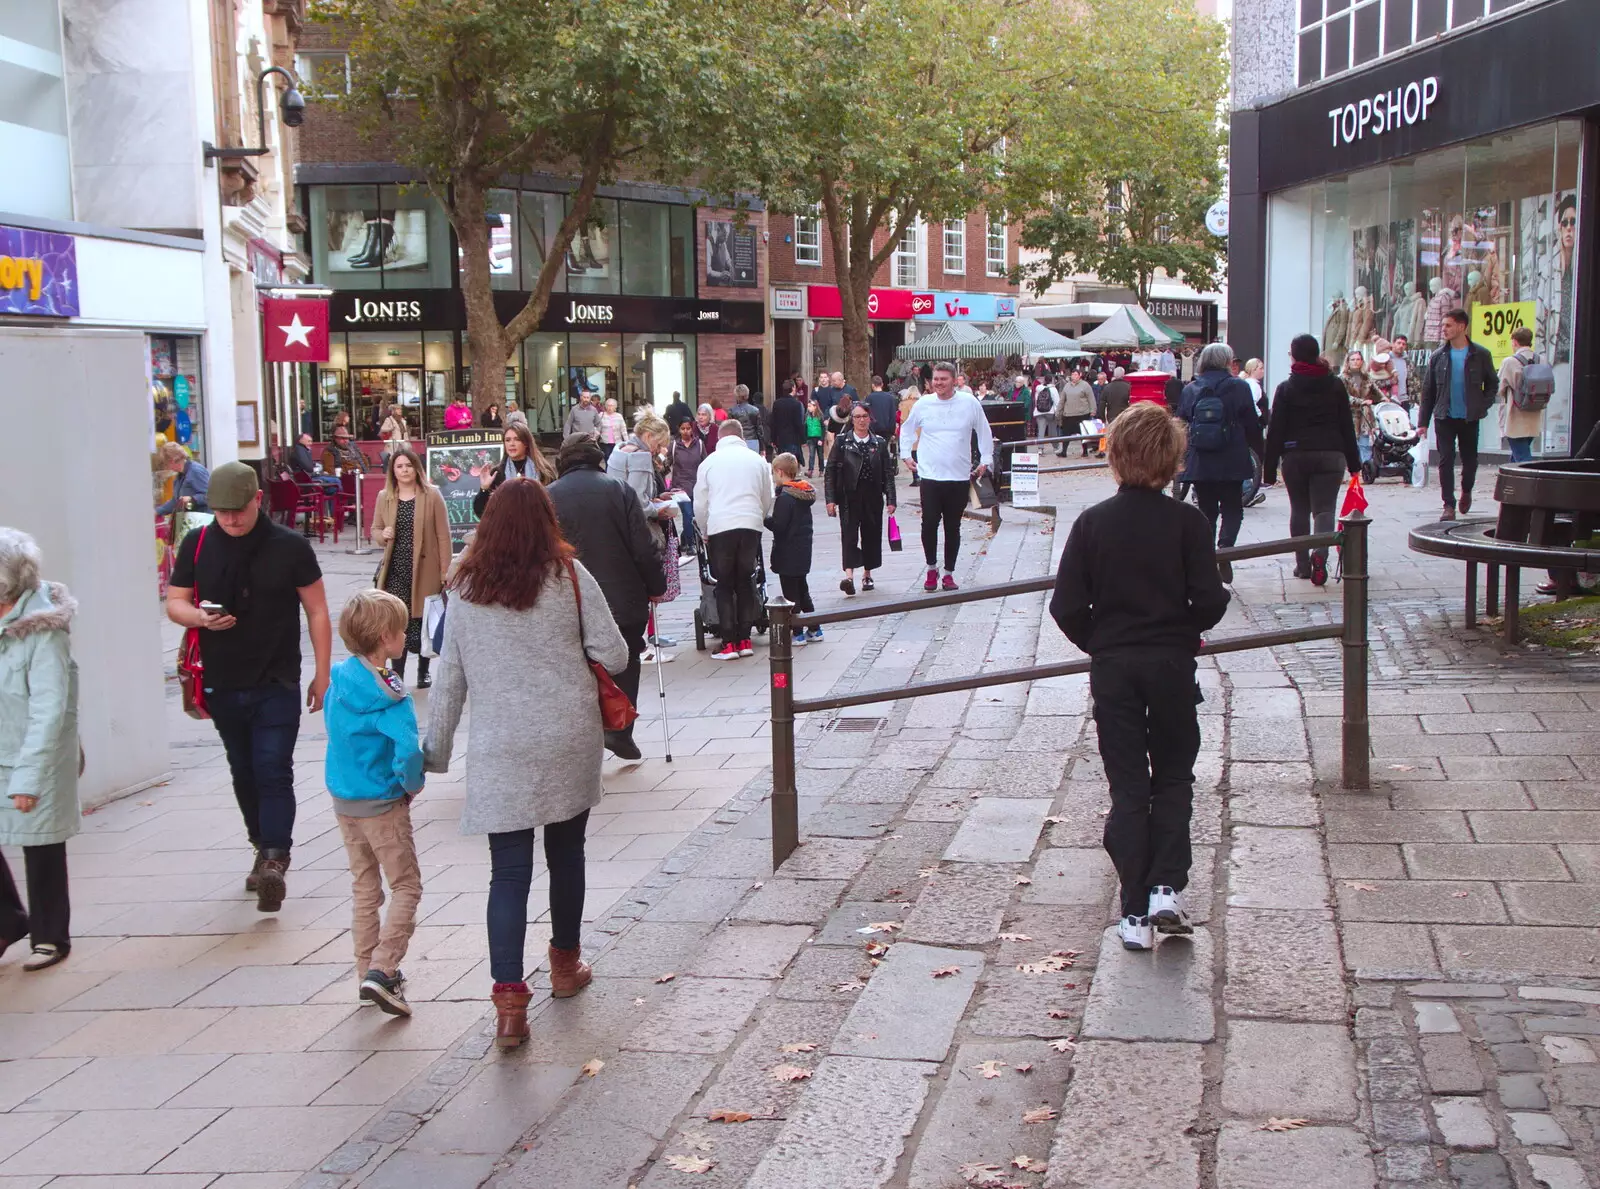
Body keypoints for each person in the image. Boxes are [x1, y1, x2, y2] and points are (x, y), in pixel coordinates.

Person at [423, 479, 628, 1048]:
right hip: (567, 737)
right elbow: (614, 653)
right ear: (547, 520)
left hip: (501, 748)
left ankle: (510, 1005)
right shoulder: (570, 578)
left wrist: (433, 755)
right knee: (567, 856)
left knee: (507, 874)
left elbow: (449, 680)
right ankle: (565, 968)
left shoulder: (463, 589)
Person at [1048, 403, 1229, 952]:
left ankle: (1133, 911)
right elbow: (1211, 598)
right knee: (1174, 777)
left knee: (1128, 786)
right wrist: (1182, 630)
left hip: (1116, 669)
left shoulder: (1093, 523)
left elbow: (1067, 606)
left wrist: (1101, 643)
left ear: (1117, 457)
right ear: (1173, 460)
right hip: (1172, 665)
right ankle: (1166, 887)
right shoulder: (1188, 523)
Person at [166, 462, 332, 911]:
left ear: (258, 500)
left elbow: (317, 609)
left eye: (238, 510)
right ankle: (261, 845)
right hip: (222, 679)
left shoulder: (290, 546)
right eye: (222, 512)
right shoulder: (197, 543)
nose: (231, 520)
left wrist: (323, 671)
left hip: (278, 678)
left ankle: (276, 857)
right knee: (243, 770)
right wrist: (201, 617)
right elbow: (175, 602)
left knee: (273, 766)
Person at [324, 589, 425, 1017]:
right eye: (402, 629)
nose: (405, 636)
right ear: (387, 637)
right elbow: (408, 750)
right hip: (383, 802)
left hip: (345, 800)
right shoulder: (391, 695)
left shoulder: (340, 680)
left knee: (365, 887)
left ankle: (365, 969)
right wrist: (411, 783)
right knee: (406, 885)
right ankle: (383, 971)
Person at [548, 434, 665, 760]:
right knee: (626, 660)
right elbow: (642, 547)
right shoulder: (619, 490)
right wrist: (655, 585)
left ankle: (586, 734)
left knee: (578, 664)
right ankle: (620, 729)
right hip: (622, 594)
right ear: (598, 459)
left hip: (571, 597)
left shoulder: (549, 496)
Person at [0, 529, 79, 972]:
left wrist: (28, 777)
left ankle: (51, 937)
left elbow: (49, 710)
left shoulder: (44, 631)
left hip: (36, 752)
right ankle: (9, 919)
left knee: (41, 840)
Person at [1263, 334, 1361, 586]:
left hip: (1295, 456)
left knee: (1299, 509)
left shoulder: (1286, 388)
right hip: (1331, 454)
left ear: (1294, 356)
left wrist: (1269, 469)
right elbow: (1346, 425)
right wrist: (1354, 463)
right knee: (1325, 509)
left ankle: (1303, 565)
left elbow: (1275, 430)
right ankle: (1321, 554)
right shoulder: (1335, 385)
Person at [899, 361, 994, 592]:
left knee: (953, 526)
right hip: (930, 475)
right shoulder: (923, 404)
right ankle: (931, 568)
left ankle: (949, 573)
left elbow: (983, 430)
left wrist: (986, 459)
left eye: (943, 379)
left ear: (954, 380)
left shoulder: (969, 403)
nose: (939, 383)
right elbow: (907, 428)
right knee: (929, 523)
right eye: (936, 379)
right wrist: (905, 454)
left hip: (959, 475)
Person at [1175, 343, 1265, 584]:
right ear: (1227, 361)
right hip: (1232, 457)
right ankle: (1225, 549)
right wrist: (1261, 455)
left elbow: (1181, 423)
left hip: (1201, 458)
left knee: (1206, 511)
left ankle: (1207, 559)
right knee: (1233, 507)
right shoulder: (1239, 387)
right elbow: (1251, 425)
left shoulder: (1192, 388)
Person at [694, 421, 774, 661]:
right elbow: (767, 496)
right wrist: (758, 519)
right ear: (740, 437)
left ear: (720, 438)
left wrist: (705, 528)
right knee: (746, 580)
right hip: (750, 525)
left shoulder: (709, 463)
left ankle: (728, 643)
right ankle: (745, 639)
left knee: (724, 584)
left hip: (721, 526)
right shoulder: (758, 461)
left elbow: (700, 502)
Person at [372, 448, 451, 688]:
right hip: (396, 568)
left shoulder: (432, 495)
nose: (404, 470)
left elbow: (444, 536)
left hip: (425, 568)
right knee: (397, 621)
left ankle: (423, 670)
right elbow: (375, 529)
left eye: (408, 465)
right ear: (393, 471)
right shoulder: (384, 496)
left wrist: (446, 573)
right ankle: (397, 674)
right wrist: (382, 535)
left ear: (416, 468)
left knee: (423, 621)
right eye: (399, 466)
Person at [1418, 308, 1496, 521]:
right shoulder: (1438, 357)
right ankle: (1448, 505)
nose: (1444, 329)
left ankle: (1467, 490)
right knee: (1445, 459)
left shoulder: (1480, 354)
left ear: (1462, 326)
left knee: (1470, 460)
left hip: (1469, 417)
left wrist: (1483, 405)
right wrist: (1422, 422)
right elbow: (1428, 391)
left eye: (1448, 325)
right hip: (1444, 416)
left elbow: (1492, 384)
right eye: (1443, 325)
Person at [825, 402, 896, 596]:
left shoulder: (878, 443)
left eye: (864, 416)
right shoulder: (842, 442)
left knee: (871, 535)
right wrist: (830, 499)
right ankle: (849, 577)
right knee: (849, 535)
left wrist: (891, 499)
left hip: (872, 496)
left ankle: (867, 574)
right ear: (852, 419)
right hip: (849, 496)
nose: (861, 420)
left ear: (870, 418)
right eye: (857, 417)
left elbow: (888, 474)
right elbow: (830, 471)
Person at [766, 453, 820, 645]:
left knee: (791, 595)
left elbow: (779, 526)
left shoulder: (785, 498)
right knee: (803, 590)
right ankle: (815, 628)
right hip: (803, 550)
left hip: (787, 552)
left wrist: (764, 519)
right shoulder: (803, 494)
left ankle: (797, 632)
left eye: (774, 473)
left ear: (780, 472)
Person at [474, 424, 555, 517]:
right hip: (507, 528)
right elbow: (481, 513)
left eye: (517, 439)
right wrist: (484, 489)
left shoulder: (544, 471)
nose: (512, 444)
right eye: (508, 440)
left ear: (526, 443)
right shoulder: (497, 473)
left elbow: (555, 506)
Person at [1498, 325, 1544, 465]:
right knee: (1518, 454)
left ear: (1515, 342)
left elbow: (1499, 387)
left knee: (1523, 459)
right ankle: (1510, 481)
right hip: (1534, 415)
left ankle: (1532, 483)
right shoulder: (1541, 360)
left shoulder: (1510, 362)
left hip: (1515, 417)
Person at [668, 415, 708, 554]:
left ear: (692, 429)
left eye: (688, 428)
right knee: (688, 514)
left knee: (693, 514)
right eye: (682, 428)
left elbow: (705, 464)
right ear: (679, 430)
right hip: (680, 486)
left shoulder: (700, 444)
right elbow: (667, 464)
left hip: (696, 485)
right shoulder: (673, 445)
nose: (685, 431)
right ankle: (691, 544)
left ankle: (685, 539)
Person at [1341, 350, 1379, 469]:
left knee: (1365, 442)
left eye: (1358, 359)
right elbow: (1343, 396)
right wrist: (1361, 401)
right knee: (1351, 443)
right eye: (1352, 359)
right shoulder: (1342, 378)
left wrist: (1385, 400)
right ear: (1348, 362)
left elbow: (1376, 391)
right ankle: (1353, 467)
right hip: (1349, 414)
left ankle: (1366, 468)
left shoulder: (1367, 377)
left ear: (1362, 361)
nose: (1355, 362)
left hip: (1365, 415)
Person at [155, 442, 211, 515]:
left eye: (166, 464)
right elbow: (175, 501)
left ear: (172, 461)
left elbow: (210, 495)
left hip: (201, 519)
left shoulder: (195, 471)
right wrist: (157, 511)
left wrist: (192, 499)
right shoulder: (180, 475)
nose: (167, 467)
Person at [292, 432, 343, 501]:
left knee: (333, 487)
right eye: (308, 441)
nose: (311, 443)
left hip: (308, 478)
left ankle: (334, 509)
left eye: (311, 441)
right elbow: (308, 468)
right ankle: (339, 505)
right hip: (308, 481)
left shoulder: (301, 450)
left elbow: (309, 466)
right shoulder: (300, 450)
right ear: (300, 441)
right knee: (336, 481)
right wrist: (319, 471)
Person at [1059, 368, 1097, 457]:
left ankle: (1085, 451)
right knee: (1066, 434)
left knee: (1083, 434)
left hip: (1082, 414)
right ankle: (1064, 451)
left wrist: (1093, 411)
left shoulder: (1085, 385)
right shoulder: (1067, 386)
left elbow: (1091, 399)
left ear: (1080, 375)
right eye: (1072, 374)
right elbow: (1062, 400)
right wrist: (1059, 411)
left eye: (1076, 374)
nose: (1074, 376)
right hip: (1068, 414)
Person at [770, 381, 808, 461]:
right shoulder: (797, 404)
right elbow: (799, 423)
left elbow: (773, 423)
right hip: (793, 439)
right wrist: (803, 439)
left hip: (781, 439)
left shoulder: (777, 403)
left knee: (783, 462)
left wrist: (773, 439)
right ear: (793, 388)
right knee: (792, 463)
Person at [727, 384, 767, 453]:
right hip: (753, 441)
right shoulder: (755, 410)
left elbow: (730, 430)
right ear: (747, 395)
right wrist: (762, 447)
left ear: (736, 396)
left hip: (738, 441)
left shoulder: (732, 411)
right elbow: (759, 430)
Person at [1032, 374, 1060, 454]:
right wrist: (1057, 412)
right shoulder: (1053, 389)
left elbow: (1036, 400)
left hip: (1039, 412)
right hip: (1050, 412)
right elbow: (1057, 402)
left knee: (1041, 431)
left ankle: (1040, 449)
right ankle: (1056, 447)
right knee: (1052, 430)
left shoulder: (1038, 389)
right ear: (1052, 380)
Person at [865, 376, 897, 440]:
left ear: (873, 385)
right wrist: (892, 432)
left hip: (873, 429)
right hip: (887, 430)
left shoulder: (869, 398)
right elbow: (893, 415)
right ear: (882, 384)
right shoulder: (890, 398)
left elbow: (867, 414)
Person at [803, 397, 826, 477]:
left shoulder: (820, 416)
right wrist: (805, 439)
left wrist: (821, 439)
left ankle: (821, 470)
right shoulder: (807, 416)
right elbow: (805, 427)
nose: (808, 408)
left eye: (810, 406)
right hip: (810, 438)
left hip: (818, 438)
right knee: (811, 455)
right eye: (808, 406)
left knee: (820, 455)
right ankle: (810, 470)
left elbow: (823, 428)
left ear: (815, 406)